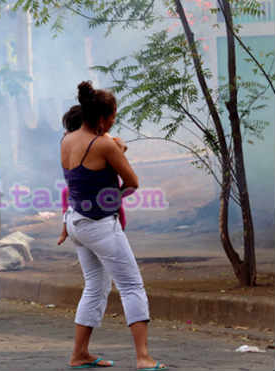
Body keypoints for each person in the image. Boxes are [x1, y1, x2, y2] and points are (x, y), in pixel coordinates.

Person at [58, 82, 167, 370]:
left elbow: (82, 175)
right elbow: (132, 183)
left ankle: (79, 353)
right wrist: (110, 195)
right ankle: (143, 357)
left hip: (75, 221)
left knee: (95, 286)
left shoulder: (67, 140)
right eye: (114, 115)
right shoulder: (104, 144)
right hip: (99, 225)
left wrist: (113, 148)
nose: (115, 119)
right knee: (132, 285)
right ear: (104, 118)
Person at [57, 105, 126, 246]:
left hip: (82, 217)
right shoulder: (94, 143)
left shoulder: (71, 142)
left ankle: (65, 230)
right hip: (97, 217)